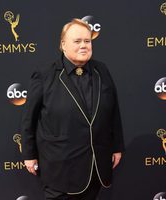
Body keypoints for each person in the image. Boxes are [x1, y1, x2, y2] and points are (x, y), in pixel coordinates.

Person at [21, 18, 125, 200]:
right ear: (63, 44)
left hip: (95, 166)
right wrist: (29, 154)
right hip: (60, 169)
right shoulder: (45, 75)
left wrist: (116, 146)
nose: (84, 45)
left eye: (87, 41)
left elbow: (113, 111)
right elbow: (29, 118)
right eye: (77, 41)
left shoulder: (102, 70)